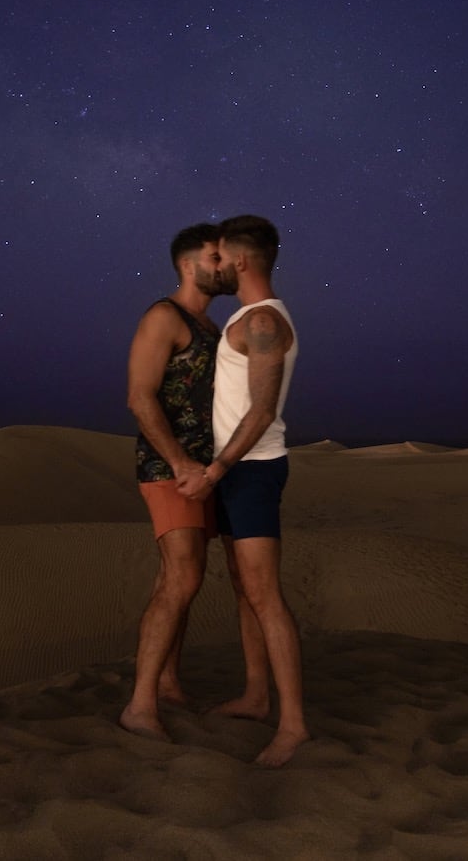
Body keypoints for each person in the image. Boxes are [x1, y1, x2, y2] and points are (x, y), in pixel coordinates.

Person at [179, 213, 308, 767]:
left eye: (221, 257)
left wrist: (215, 470)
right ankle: (257, 696)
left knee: (264, 595)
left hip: (250, 470)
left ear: (242, 261)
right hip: (237, 472)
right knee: (244, 589)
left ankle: (294, 725)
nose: (218, 266)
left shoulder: (263, 323)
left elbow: (260, 411)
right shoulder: (249, 318)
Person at [118, 223, 226, 742]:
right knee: (182, 577)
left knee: (183, 579)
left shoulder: (210, 327)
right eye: (214, 256)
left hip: (203, 473)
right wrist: (180, 463)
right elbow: (140, 397)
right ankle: (139, 706)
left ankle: (167, 684)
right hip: (170, 469)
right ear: (189, 264)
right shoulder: (164, 316)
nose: (223, 265)